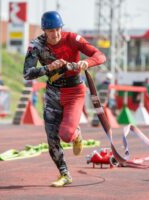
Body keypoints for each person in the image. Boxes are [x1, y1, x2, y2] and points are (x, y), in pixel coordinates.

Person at [23, 11, 106, 187]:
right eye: (51, 30)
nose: (55, 34)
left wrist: (86, 63)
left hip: (74, 92)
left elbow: (100, 56)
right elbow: (27, 73)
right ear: (44, 30)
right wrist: (47, 68)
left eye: (58, 29)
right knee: (52, 137)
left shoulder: (73, 39)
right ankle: (64, 174)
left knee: (66, 135)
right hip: (53, 93)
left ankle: (76, 134)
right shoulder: (36, 45)